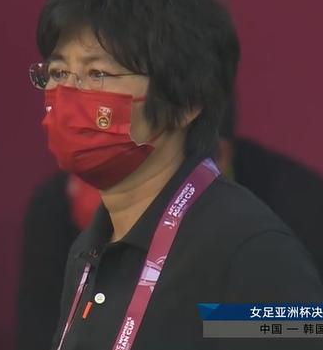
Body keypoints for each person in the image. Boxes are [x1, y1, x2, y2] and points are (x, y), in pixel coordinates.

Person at [24, 0, 323, 350]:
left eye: (98, 74)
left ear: (184, 103)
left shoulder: (247, 255)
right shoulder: (89, 249)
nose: (69, 95)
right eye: (58, 72)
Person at [17, 101, 323, 350]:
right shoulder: (64, 210)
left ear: (221, 155)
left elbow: (300, 328)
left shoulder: (296, 209)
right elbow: (38, 334)